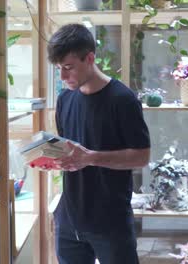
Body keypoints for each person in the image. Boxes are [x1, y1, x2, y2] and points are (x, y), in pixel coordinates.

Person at [47, 23, 151, 264]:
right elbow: (70, 151)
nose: (63, 76)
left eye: (69, 67)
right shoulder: (65, 99)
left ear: (90, 58)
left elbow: (142, 156)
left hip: (110, 221)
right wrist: (53, 159)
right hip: (68, 219)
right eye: (59, 68)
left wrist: (91, 157)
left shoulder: (123, 100)